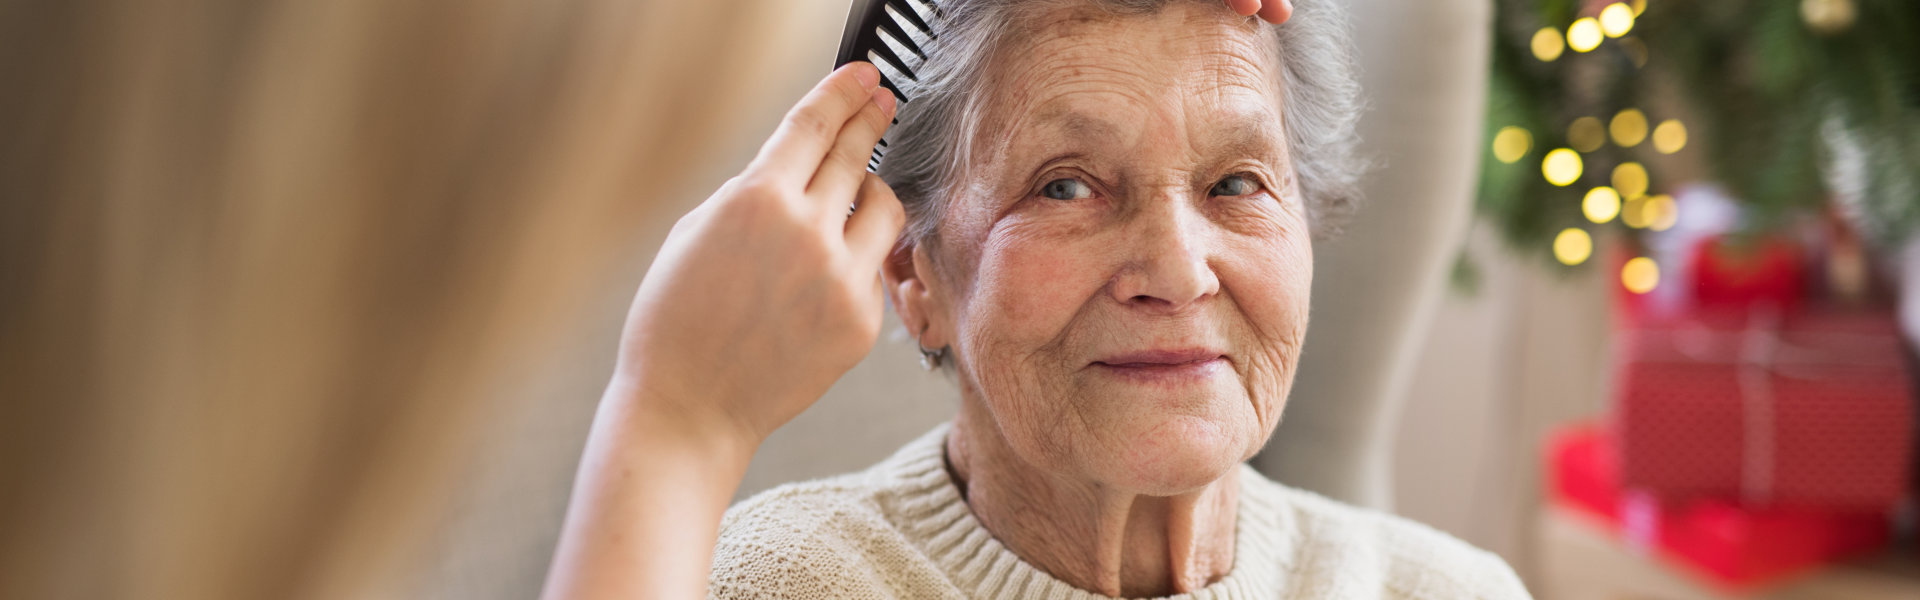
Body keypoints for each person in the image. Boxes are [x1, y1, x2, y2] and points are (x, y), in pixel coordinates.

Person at [541, 0, 1532, 598]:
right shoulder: (749, 585)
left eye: (1236, 185)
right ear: (911, 276)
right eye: (1066, 185)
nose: (1180, 271)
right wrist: (671, 416)